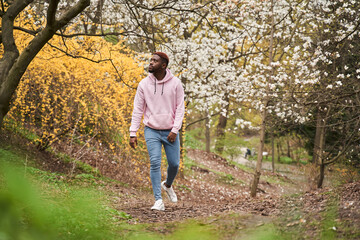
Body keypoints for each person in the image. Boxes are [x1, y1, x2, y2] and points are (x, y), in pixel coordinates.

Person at [129, 52, 185, 211]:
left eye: (155, 61)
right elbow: (138, 109)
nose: (151, 63)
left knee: (174, 164)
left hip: (170, 131)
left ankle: (167, 185)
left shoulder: (176, 84)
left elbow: (180, 108)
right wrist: (133, 132)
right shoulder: (143, 84)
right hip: (151, 130)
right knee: (154, 162)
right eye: (150, 60)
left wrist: (175, 129)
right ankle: (158, 200)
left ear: (163, 65)